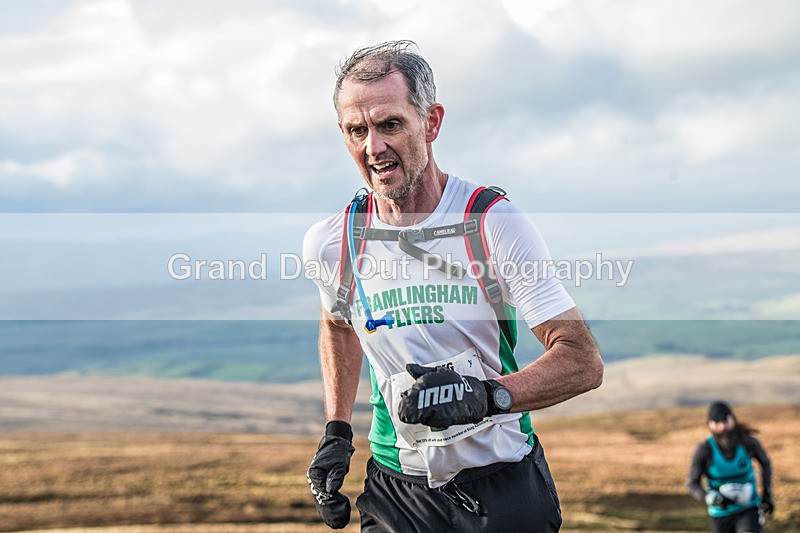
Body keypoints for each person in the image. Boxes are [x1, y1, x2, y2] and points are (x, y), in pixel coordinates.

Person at [303, 40, 603, 532]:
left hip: (501, 486)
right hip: (397, 493)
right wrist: (336, 430)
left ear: (431, 122)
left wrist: (485, 397)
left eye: (390, 124)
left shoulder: (490, 222)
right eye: (357, 130)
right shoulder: (334, 242)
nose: (373, 148)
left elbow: (582, 361)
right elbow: (338, 325)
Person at [687, 401, 774, 533]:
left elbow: (765, 464)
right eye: (717, 422)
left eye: (725, 420)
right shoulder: (704, 450)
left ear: (733, 419)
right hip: (720, 513)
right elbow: (692, 484)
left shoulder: (748, 443)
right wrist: (711, 498)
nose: (722, 427)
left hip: (748, 508)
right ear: (709, 424)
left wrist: (767, 495)